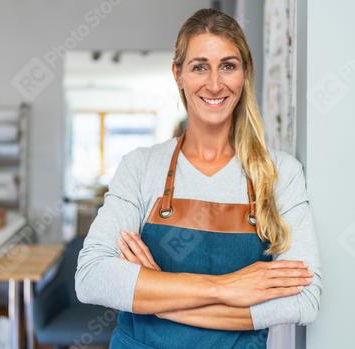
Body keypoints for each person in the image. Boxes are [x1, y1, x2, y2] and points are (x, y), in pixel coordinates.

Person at [75, 8, 322, 349]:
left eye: (228, 66)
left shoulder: (281, 175)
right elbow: (92, 278)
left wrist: (157, 294)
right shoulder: (140, 167)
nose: (215, 83)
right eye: (199, 66)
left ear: (245, 73)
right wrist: (224, 288)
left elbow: (303, 300)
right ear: (178, 74)